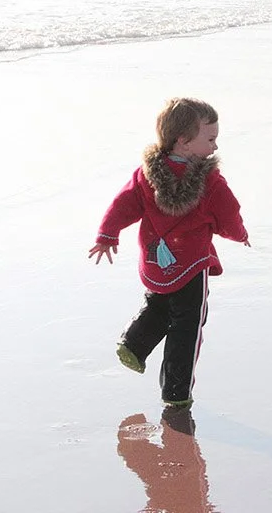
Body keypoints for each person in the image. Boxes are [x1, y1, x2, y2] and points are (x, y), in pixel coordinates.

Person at [90, 97, 249, 409]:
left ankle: (134, 344)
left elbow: (122, 204)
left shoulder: (145, 175)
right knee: (187, 327)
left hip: (156, 261)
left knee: (160, 304)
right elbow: (229, 215)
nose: (215, 147)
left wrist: (107, 234)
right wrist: (239, 234)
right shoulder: (210, 182)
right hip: (191, 264)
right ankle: (176, 392)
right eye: (211, 139)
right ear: (185, 142)